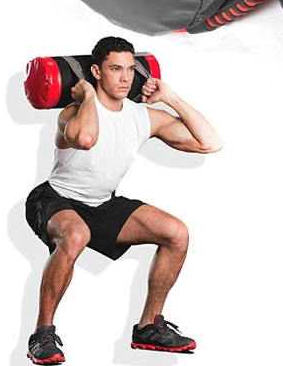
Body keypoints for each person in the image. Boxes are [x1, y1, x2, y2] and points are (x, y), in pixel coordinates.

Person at [24, 37, 222, 363]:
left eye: (130, 69)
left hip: (102, 204)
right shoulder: (72, 113)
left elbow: (210, 142)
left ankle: (149, 327)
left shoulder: (142, 116)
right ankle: (42, 335)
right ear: (96, 72)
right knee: (76, 235)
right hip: (55, 198)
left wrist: (170, 97)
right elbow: (85, 138)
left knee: (176, 233)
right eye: (116, 69)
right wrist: (89, 95)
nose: (126, 78)